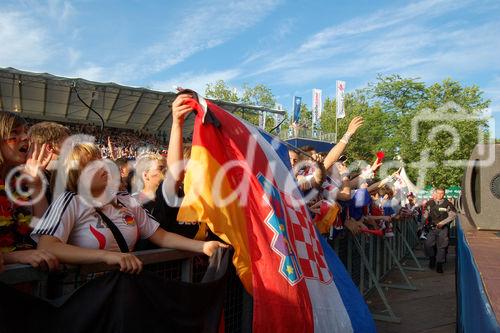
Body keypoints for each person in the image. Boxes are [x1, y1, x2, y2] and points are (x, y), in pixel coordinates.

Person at [32, 142, 227, 274]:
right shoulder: (69, 201)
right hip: (88, 294)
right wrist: (107, 257)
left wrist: (203, 246)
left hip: (127, 288)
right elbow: (47, 246)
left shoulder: (125, 200)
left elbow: (161, 236)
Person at [0, 111, 59, 270]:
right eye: (15, 133)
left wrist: (36, 185)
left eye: (25, 131)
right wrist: (15, 257)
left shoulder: (20, 182)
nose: (26, 137)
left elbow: (42, 230)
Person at [423, 187, 456, 273]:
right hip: (431, 228)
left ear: (444, 194)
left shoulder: (447, 204)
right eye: (438, 193)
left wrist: (443, 223)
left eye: (441, 193)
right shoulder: (429, 203)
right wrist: (421, 225)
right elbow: (425, 215)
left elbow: (452, 215)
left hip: (443, 228)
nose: (439, 195)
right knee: (428, 244)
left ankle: (439, 264)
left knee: (442, 247)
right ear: (435, 193)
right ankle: (432, 257)